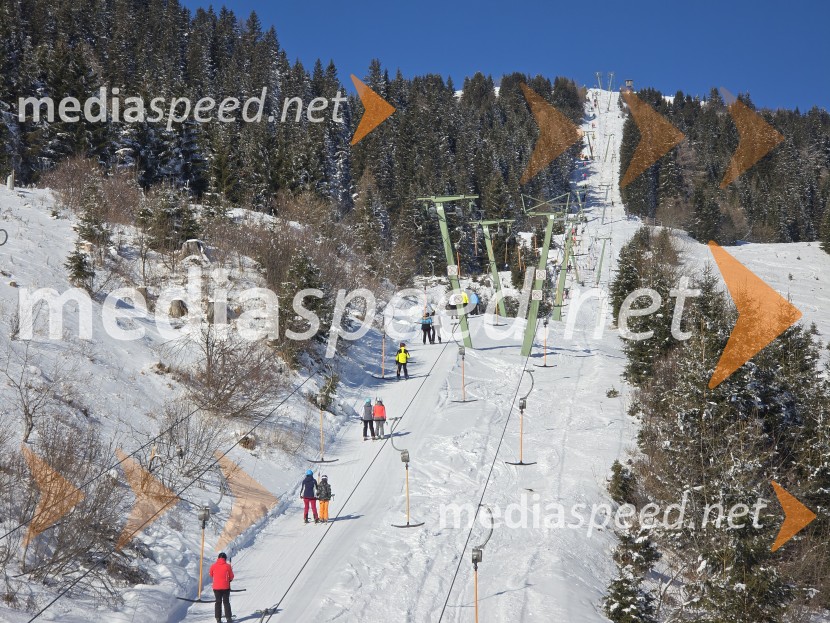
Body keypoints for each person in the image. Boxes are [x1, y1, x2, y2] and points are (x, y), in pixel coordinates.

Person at [209, 552, 234, 623]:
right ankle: (228, 618)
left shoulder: (213, 566)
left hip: (216, 587)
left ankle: (218, 619)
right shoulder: (228, 566)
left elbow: (211, 574)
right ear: (225, 558)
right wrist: (229, 580)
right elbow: (231, 576)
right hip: (225, 587)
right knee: (226, 602)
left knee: (218, 602)